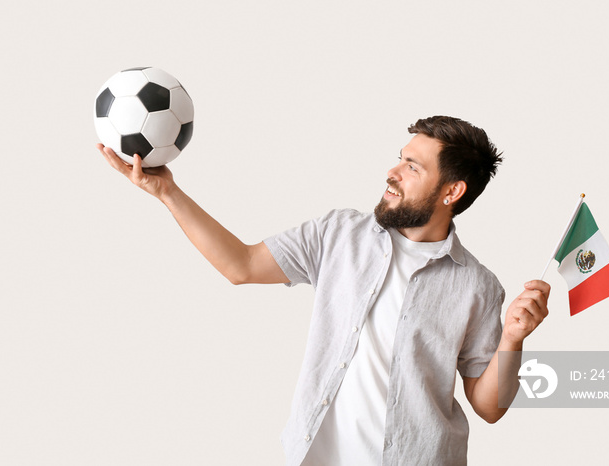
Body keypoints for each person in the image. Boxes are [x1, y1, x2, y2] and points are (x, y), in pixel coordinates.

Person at [97, 115, 550, 465]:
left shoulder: (477, 286)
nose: (392, 172)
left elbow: (488, 407)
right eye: (400, 158)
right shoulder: (339, 234)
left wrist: (513, 340)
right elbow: (241, 265)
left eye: (412, 167)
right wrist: (167, 193)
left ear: (452, 191)